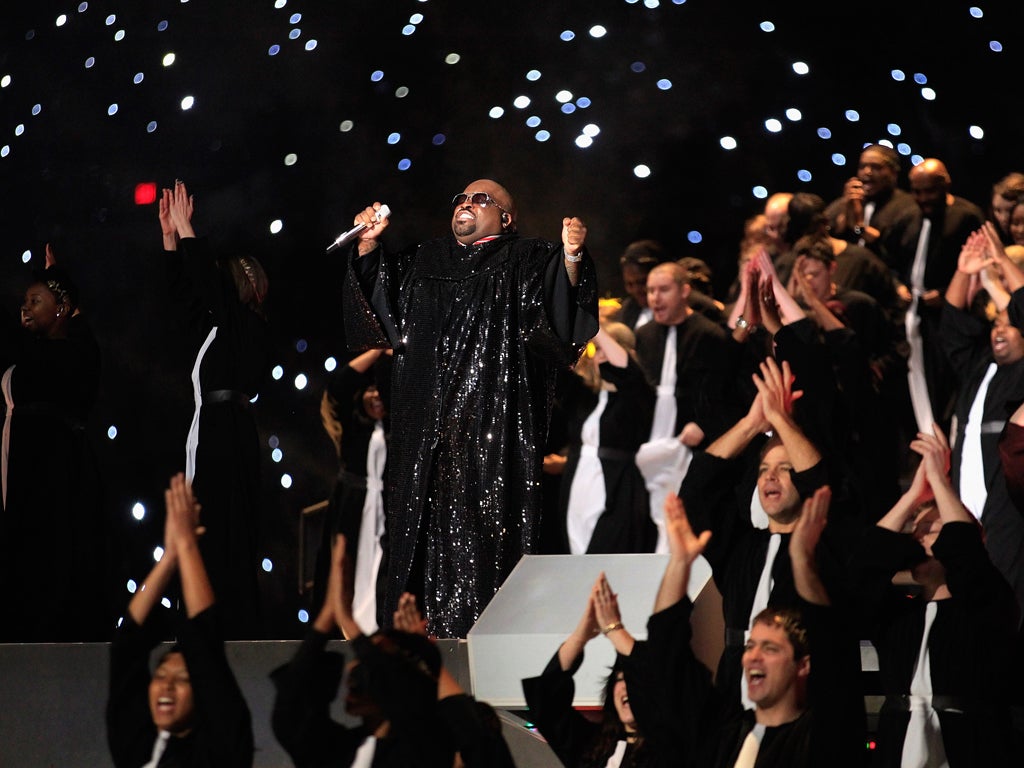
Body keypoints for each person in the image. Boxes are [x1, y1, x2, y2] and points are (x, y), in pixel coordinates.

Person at [341, 179, 599, 637]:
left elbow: (559, 325)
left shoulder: (526, 260)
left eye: (481, 199)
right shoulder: (425, 260)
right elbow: (378, 318)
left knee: (485, 548)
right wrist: (366, 246)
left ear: (505, 217)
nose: (465, 203)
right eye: (459, 197)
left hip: (491, 438)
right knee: (416, 547)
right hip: (424, 441)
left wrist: (573, 259)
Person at [644, 488, 864, 768]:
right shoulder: (724, 730)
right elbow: (667, 658)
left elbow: (831, 648)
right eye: (750, 647)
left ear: (803, 665)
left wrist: (801, 560)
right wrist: (678, 565)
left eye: (770, 648)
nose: (753, 657)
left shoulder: (822, 736)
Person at [852, 428, 1019, 766]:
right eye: (917, 531)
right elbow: (864, 565)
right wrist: (914, 494)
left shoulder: (989, 602)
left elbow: (965, 552)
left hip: (967, 748)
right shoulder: (897, 615)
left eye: (934, 529)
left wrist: (941, 482)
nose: (922, 538)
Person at [272, 535, 513, 767]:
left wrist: (351, 623)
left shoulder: (425, 752)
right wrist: (328, 615)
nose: (354, 678)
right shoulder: (342, 751)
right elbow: (289, 712)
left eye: (371, 668)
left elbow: (473, 737)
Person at [161, 180, 271, 638]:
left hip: (225, 439)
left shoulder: (244, 325)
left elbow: (208, 291)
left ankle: (222, 620)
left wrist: (189, 233)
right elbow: (186, 303)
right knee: (209, 530)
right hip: (216, 434)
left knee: (221, 532)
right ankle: (200, 614)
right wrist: (172, 245)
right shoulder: (219, 330)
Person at [106, 473, 254, 768]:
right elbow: (126, 647)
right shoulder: (139, 749)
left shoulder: (220, 753)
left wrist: (188, 548)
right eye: (160, 676)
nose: (166, 687)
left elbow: (207, 651)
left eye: (182, 679)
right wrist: (169, 558)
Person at [0, 246, 105, 642]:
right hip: (19, 469)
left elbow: (81, 341)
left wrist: (62, 284)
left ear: (61, 308)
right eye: (23, 301)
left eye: (35, 301)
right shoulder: (24, 349)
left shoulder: (75, 352)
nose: (24, 308)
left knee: (48, 562)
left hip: (52, 475)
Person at [521, 569, 690, 768]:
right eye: (619, 679)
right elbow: (546, 704)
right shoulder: (595, 746)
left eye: (633, 679)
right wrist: (580, 635)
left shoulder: (676, 747)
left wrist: (614, 629)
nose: (626, 687)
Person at [941, 226, 1024, 613]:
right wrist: (965, 271)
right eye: (995, 324)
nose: (999, 330)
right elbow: (952, 325)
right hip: (966, 507)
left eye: (1010, 323)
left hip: (1007, 508)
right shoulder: (981, 367)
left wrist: (1003, 264)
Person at [313, 348, 391, 633]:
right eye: (371, 390)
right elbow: (337, 388)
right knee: (346, 572)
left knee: (382, 577)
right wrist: (379, 350)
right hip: (352, 511)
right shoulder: (351, 426)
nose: (377, 397)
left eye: (382, 391)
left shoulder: (400, 429)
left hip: (389, 513)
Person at [560, 323, 655, 555]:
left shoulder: (638, 396)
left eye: (607, 349)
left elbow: (626, 370)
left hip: (617, 486)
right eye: (597, 350)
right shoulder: (584, 396)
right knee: (573, 553)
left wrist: (594, 326)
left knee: (604, 553)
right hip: (577, 484)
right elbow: (556, 368)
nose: (601, 356)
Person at [824, 143, 918, 263]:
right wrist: (844, 218)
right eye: (862, 167)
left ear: (894, 173)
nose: (867, 172)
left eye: (876, 167)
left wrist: (859, 227)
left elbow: (895, 253)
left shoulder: (908, 206)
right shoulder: (847, 202)